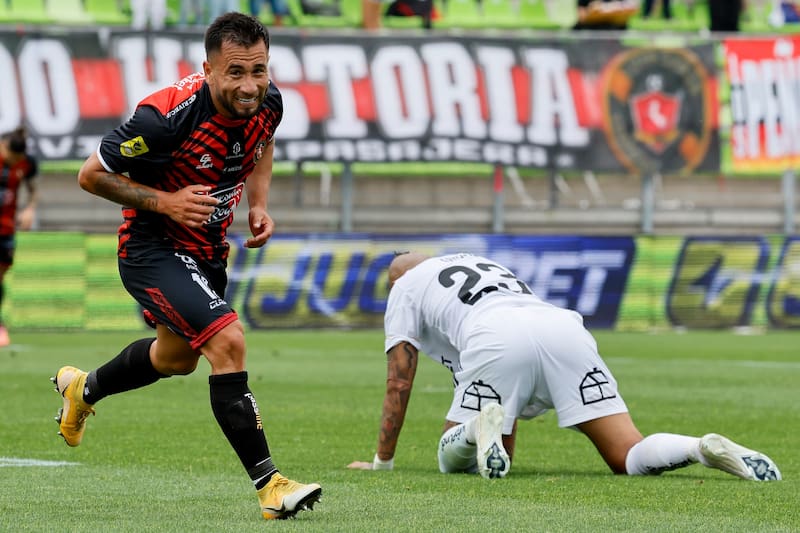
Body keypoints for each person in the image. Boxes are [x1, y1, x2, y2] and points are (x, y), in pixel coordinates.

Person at [52, 12, 322, 521]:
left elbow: (262, 145)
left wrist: (258, 204)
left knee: (175, 359)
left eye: (259, 70)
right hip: (151, 247)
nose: (250, 85)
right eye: (236, 73)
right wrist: (165, 202)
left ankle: (81, 388)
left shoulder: (269, 103)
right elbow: (90, 176)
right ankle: (271, 485)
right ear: (208, 70)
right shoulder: (164, 118)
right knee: (229, 341)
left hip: (207, 250)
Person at [348, 252, 781, 482]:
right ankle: (697, 447)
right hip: (561, 327)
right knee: (626, 452)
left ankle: (482, 428)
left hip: (496, 335)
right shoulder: (485, 265)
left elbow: (399, 380)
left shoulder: (404, 286)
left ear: (397, 277)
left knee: (454, 457)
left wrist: (382, 462)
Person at [0, 127, 38, 348]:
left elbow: (33, 190)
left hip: (6, 228)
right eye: (12, 158)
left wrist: (30, 209)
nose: (15, 162)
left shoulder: (26, 163)